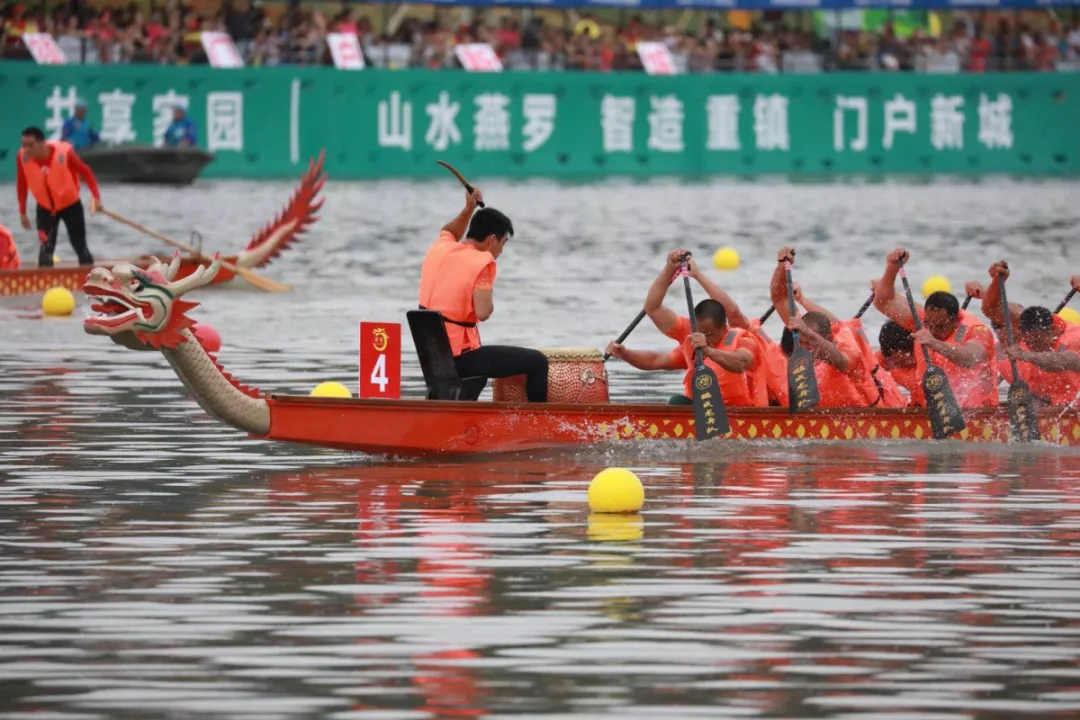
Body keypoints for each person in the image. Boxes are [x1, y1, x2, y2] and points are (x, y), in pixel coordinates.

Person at [418, 186, 548, 402]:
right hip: (459, 358)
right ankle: (540, 420)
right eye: (503, 244)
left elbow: (449, 231)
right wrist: (487, 287)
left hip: (429, 355)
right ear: (492, 240)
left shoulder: (440, 249)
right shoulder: (481, 263)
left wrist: (468, 208)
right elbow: (483, 311)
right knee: (538, 362)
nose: (501, 251)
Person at [607, 250, 765, 407]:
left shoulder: (744, 338)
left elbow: (741, 362)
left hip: (742, 412)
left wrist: (708, 351)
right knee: (676, 401)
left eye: (709, 334)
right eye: (700, 332)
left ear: (724, 328)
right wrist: (669, 269)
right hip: (703, 411)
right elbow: (653, 309)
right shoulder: (690, 335)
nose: (702, 338)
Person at [872, 247, 998, 407]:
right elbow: (884, 301)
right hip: (928, 410)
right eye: (929, 326)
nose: (933, 331)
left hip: (974, 412)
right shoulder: (925, 321)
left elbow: (971, 359)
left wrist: (934, 343)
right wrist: (892, 268)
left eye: (939, 327)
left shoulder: (977, 331)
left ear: (955, 320)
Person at [770, 247, 870, 408]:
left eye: (809, 342)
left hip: (856, 418)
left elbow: (841, 362)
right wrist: (782, 266)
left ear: (829, 338)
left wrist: (807, 333)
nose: (805, 347)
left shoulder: (849, 352)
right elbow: (778, 298)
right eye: (802, 342)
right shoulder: (801, 334)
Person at [979, 261, 1080, 406]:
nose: (1033, 346)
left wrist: (1027, 355)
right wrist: (997, 280)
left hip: (1071, 403)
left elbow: (1066, 360)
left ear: (1053, 331)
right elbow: (992, 310)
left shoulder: (1074, 338)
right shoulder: (1024, 322)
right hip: (1037, 398)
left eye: (1038, 342)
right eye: (1028, 342)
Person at [16, 126, 101, 268]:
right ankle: (44, 279)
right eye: (24, 145)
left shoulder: (64, 154)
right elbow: (21, 184)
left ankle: (89, 276)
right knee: (45, 250)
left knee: (80, 247)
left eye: (30, 145)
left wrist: (96, 197)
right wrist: (23, 213)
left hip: (70, 205)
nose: (26, 149)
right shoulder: (22, 158)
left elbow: (86, 172)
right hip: (45, 208)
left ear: (42, 143)